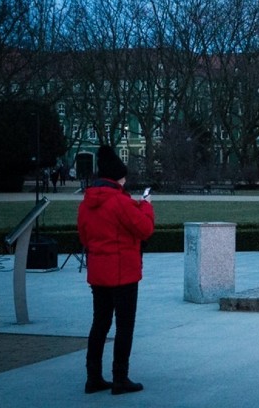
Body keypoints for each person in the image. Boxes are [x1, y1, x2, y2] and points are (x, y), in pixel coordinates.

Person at [77, 145, 154, 395]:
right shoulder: (120, 202)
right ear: (117, 178)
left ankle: (93, 377)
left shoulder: (87, 203)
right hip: (123, 273)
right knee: (124, 326)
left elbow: (84, 237)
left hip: (99, 273)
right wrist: (146, 206)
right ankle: (120, 377)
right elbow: (144, 230)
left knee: (99, 324)